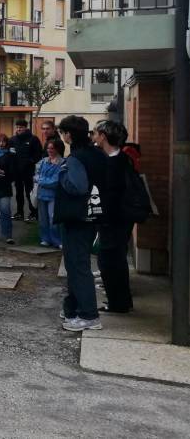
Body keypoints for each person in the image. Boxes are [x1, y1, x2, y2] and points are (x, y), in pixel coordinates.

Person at [56, 115, 108, 332]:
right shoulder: (97, 153)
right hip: (93, 213)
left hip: (77, 216)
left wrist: (62, 173)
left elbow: (76, 187)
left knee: (77, 266)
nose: (62, 137)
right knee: (79, 263)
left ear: (68, 134)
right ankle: (73, 308)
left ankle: (88, 315)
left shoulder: (76, 158)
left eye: (63, 133)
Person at [93, 120, 135, 314]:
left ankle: (118, 303)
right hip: (118, 220)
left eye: (96, 133)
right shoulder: (121, 159)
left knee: (110, 261)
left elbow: (110, 196)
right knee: (115, 260)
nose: (94, 137)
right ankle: (121, 300)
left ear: (103, 136)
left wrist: (101, 217)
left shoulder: (114, 163)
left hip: (114, 220)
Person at [8, 119, 42, 221]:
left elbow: (38, 154)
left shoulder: (33, 139)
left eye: (21, 127)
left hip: (28, 171)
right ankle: (19, 213)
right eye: (17, 127)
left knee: (29, 193)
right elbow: (10, 153)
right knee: (18, 193)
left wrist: (30, 161)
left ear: (26, 128)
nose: (19, 129)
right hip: (17, 172)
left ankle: (33, 213)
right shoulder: (12, 140)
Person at [35, 138, 65, 249]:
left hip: (54, 195)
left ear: (58, 149)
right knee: (43, 219)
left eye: (52, 148)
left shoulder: (62, 162)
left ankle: (57, 240)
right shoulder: (43, 161)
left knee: (53, 219)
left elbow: (56, 181)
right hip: (41, 194)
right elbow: (35, 175)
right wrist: (42, 180)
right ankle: (45, 239)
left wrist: (41, 180)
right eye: (48, 148)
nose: (49, 150)